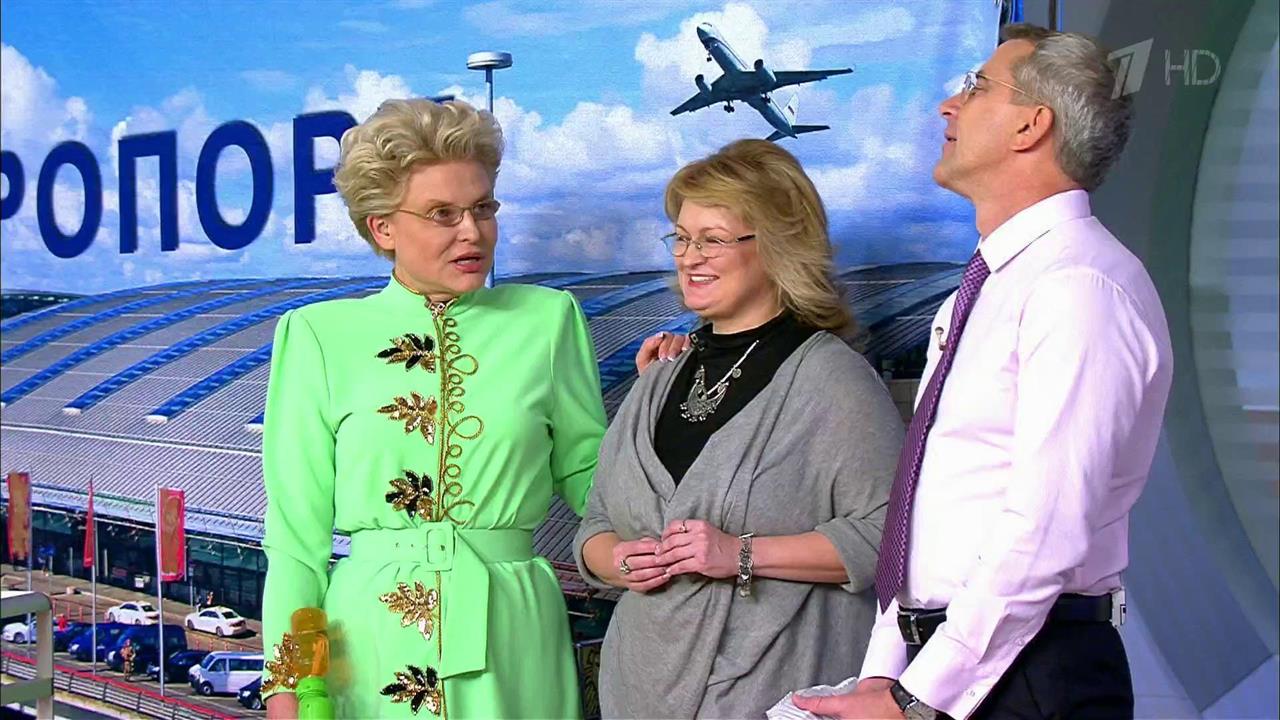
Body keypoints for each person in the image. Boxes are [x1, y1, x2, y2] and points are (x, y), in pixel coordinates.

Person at [793, 23, 1173, 720]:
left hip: (1026, 676)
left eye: (975, 87)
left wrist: (917, 696)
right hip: (953, 668)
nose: (948, 104)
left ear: (1032, 124)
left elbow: (1045, 530)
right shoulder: (990, 286)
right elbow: (936, 511)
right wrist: (887, 674)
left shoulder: (1078, 286)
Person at [259, 99, 606, 719]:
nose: (472, 231)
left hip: (515, 634)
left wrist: (661, 410)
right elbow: (295, 539)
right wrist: (286, 690)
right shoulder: (315, 335)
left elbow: (593, 478)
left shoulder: (550, 321)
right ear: (382, 228)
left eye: (483, 208)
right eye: (443, 213)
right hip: (368, 642)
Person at [574, 139, 903, 718]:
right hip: (636, 692)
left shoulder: (834, 380)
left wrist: (740, 554)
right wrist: (620, 561)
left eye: (714, 239)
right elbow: (596, 525)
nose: (689, 257)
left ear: (779, 245)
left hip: (770, 692)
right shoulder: (660, 374)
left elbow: (888, 542)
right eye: (682, 238)